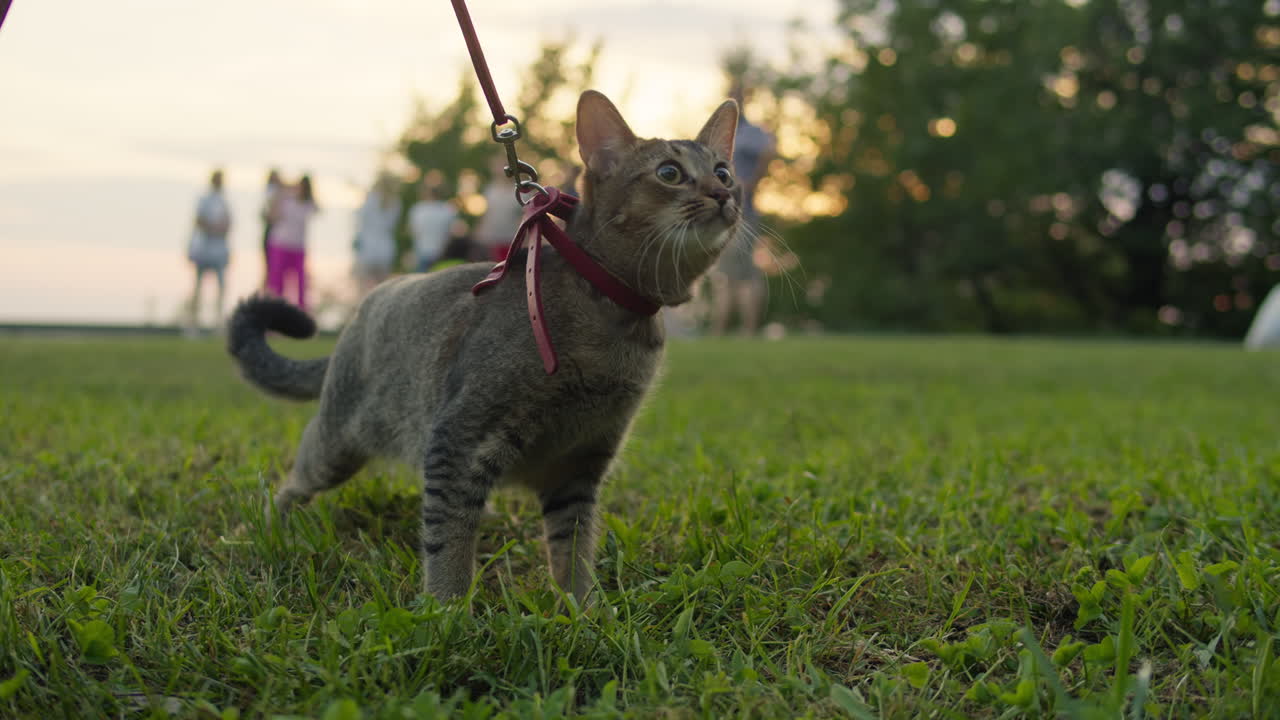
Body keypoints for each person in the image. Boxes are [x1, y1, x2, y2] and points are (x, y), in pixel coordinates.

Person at [710, 82, 776, 336]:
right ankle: (723, 331)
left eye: (738, 95)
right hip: (719, 211)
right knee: (727, 274)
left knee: (743, 274)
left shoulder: (751, 133)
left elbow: (770, 149)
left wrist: (752, 183)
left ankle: (746, 331)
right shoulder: (721, 132)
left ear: (745, 98)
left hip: (741, 211)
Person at [186, 169, 231, 333]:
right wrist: (213, 229)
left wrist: (221, 230)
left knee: (221, 287)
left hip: (219, 250)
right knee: (198, 286)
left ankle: (218, 323)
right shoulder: (204, 199)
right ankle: (193, 324)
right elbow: (199, 220)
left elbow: (228, 223)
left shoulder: (224, 201)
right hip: (204, 249)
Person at [265, 174, 317, 309]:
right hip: (280, 246)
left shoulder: (307, 204)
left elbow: (318, 208)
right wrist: (284, 190)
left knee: (301, 285)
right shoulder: (285, 200)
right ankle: (274, 316)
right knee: (276, 284)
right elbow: (271, 216)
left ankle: (300, 314)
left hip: (298, 248)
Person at [353, 173, 402, 297]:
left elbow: (360, 218)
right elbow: (392, 225)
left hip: (368, 249)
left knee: (362, 291)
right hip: (386, 249)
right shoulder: (395, 202)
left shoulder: (371, 199)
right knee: (384, 291)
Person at [470, 155, 525, 262]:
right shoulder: (489, 189)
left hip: (511, 241)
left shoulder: (522, 191)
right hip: (488, 241)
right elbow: (485, 213)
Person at [408, 183, 457, 272]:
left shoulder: (418, 209)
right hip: (442, 252)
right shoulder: (448, 209)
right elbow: (452, 233)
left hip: (422, 251)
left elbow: (414, 232)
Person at [260, 169, 282, 288]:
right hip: (270, 234)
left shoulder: (277, 193)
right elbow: (265, 215)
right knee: (269, 269)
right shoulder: (270, 193)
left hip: (278, 237)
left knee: (273, 270)